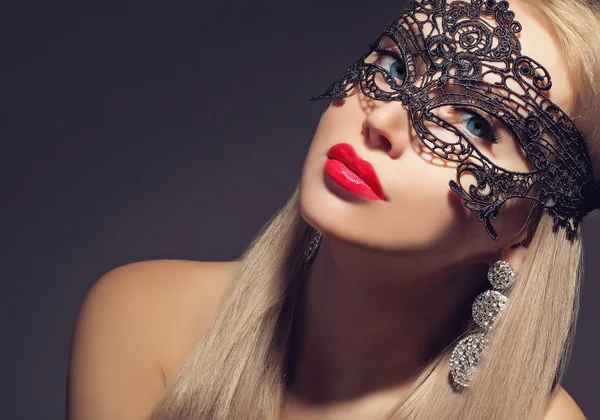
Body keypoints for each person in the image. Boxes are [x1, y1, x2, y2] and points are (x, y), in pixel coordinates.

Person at [66, 0, 598, 419]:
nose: (385, 120)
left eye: (476, 124)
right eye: (395, 63)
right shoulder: (144, 317)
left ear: (525, 229)